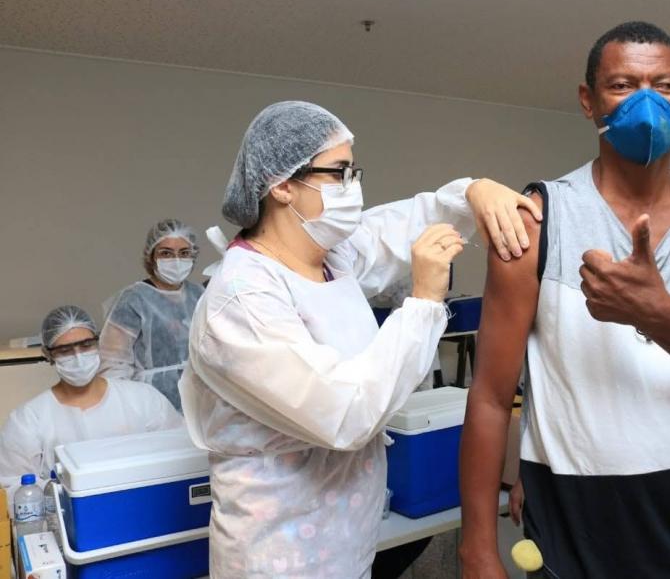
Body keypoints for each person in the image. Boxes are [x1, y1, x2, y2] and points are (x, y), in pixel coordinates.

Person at [459, 21, 670, 579]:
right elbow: (489, 397)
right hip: (572, 541)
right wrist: (477, 549)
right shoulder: (538, 221)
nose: (647, 102)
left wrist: (659, 314)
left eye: (663, 84)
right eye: (623, 85)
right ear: (588, 101)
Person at [178, 101, 542, 578]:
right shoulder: (240, 301)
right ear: (283, 185)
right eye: (339, 173)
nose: (354, 188)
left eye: (354, 171)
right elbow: (345, 413)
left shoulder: (331, 258)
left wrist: (472, 191)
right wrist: (426, 301)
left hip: (347, 539)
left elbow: (397, 227)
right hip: (277, 555)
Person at [0, 305, 183, 494]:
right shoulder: (28, 420)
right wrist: (54, 491)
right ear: (49, 355)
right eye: (65, 350)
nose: (78, 357)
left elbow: (182, 453)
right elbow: (11, 486)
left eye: (86, 345)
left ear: (98, 343)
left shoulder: (143, 399)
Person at [99, 219, 204, 410]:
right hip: (150, 402)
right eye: (166, 253)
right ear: (151, 257)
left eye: (184, 253)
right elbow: (112, 364)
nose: (176, 260)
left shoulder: (200, 296)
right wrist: (127, 406)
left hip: (200, 400)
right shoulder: (134, 299)